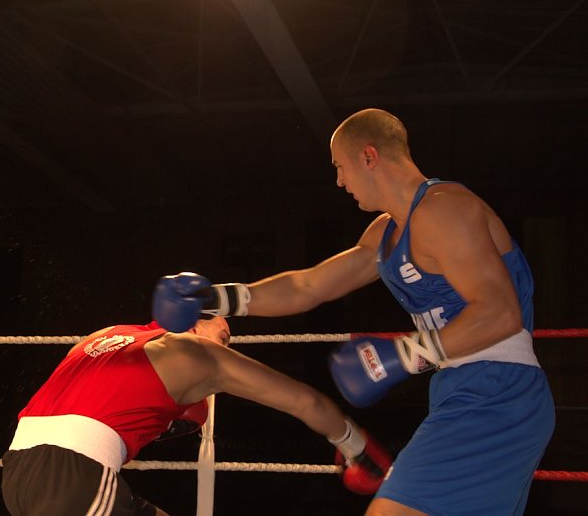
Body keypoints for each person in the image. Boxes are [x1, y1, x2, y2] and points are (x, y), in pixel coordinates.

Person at [152, 108, 555, 516]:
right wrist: (214, 298)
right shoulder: (386, 233)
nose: (339, 181)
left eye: (341, 167)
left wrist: (403, 355)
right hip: (465, 391)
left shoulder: (444, 208)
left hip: (499, 391)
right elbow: (307, 286)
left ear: (369, 156)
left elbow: (502, 314)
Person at [1, 315, 391, 516]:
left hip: (17, 472)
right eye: (224, 337)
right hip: (73, 478)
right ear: (193, 322)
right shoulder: (196, 354)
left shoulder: (108, 333)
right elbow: (307, 403)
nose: (228, 346)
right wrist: (355, 444)